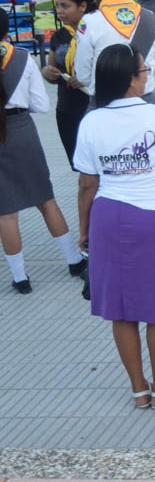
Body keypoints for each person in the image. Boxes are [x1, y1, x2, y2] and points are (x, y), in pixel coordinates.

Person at [74, 44, 155, 410]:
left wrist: (84, 229)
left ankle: (139, 390)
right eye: (144, 72)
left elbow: (86, 184)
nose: (147, 76)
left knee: (121, 309)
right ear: (131, 80)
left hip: (110, 217)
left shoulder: (91, 121)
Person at [0, 40, 87, 293]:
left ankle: (20, 278)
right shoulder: (22, 57)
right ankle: (73, 261)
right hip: (21, 130)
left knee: (6, 214)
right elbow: (41, 104)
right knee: (45, 200)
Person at [76, 0, 155, 104]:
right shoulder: (149, 17)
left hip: (106, 105)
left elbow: (83, 76)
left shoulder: (90, 21)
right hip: (146, 102)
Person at [41, 0, 93, 165]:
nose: (59, 11)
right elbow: (51, 68)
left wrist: (87, 78)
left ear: (83, 6)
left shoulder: (95, 31)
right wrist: (47, 72)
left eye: (65, 6)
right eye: (57, 6)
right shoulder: (59, 36)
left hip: (94, 106)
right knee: (78, 163)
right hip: (67, 108)